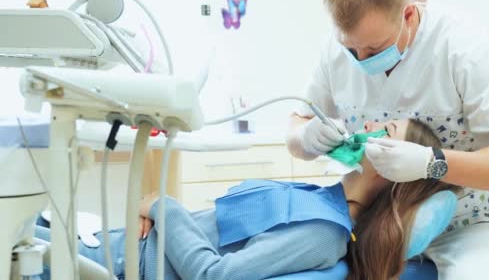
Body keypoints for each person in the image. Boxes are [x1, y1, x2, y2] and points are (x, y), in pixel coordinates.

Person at [286, 0, 489, 279]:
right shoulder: (336, 49)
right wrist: (305, 137)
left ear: (407, 14)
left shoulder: (462, 48)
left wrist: (432, 162)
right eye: (351, 49)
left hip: (475, 221)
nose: (361, 60)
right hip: (382, 222)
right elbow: (297, 127)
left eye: (374, 48)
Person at [36, 119, 457, 280]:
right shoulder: (321, 197)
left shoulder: (324, 232)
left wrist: (165, 206)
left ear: (395, 171)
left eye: (384, 130)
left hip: (123, 264)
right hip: (124, 242)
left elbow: (214, 275)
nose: (367, 125)